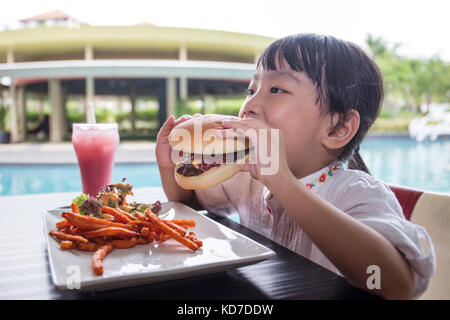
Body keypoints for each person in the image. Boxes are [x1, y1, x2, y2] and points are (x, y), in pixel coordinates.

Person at [155, 34, 435, 299]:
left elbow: (393, 285)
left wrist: (282, 182)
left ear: (338, 128)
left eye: (277, 89)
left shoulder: (356, 192)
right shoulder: (247, 178)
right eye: (251, 89)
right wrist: (170, 167)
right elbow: (189, 202)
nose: (249, 105)